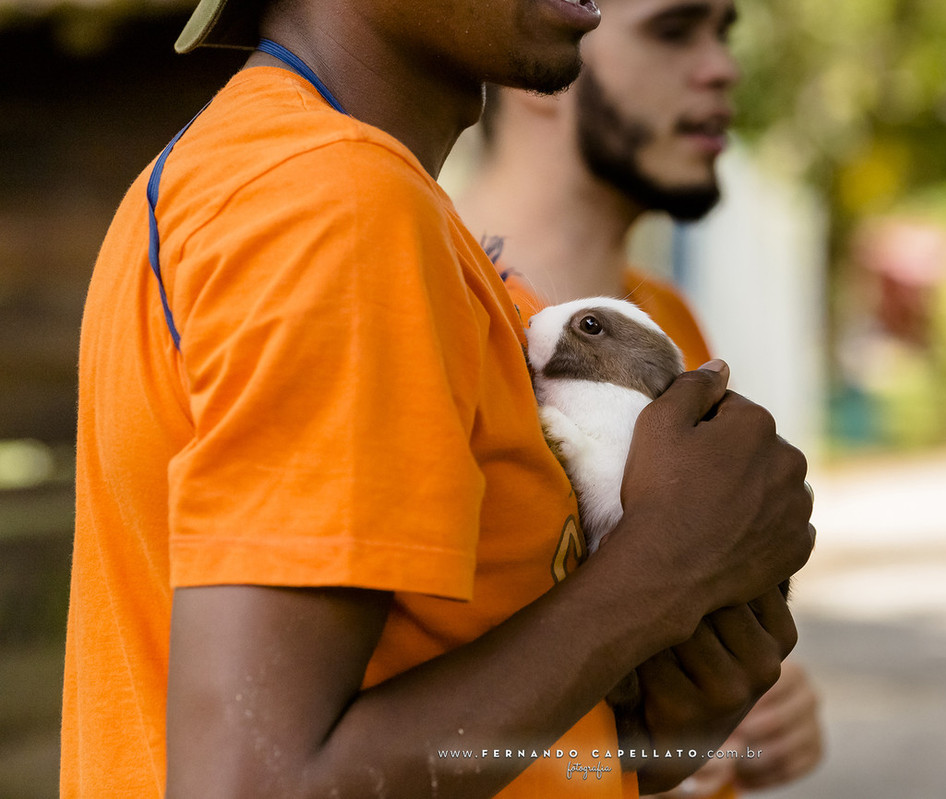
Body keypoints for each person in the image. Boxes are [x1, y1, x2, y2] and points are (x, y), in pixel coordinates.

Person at [62, 0, 816, 797]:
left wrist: (644, 726)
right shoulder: (333, 204)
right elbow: (257, 783)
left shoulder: (315, 190)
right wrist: (667, 570)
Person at [455, 0, 823, 794]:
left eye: (724, 33)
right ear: (539, 33)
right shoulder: (431, 307)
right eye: (672, 30)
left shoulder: (670, 324)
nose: (722, 68)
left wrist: (741, 696)